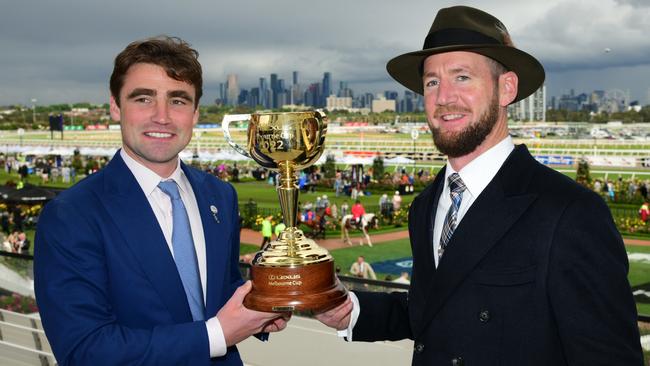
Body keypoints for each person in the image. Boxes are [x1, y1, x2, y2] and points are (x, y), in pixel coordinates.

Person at [315, 6, 642, 365]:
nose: (443, 98)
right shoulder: (427, 205)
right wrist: (352, 310)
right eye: (432, 82)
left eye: (462, 77)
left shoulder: (569, 213)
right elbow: (440, 307)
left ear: (506, 88)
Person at [34, 36, 288, 366]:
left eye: (178, 101)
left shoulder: (220, 196)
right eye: (143, 99)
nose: (162, 116)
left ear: (195, 112)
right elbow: (85, 349)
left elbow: (219, 292)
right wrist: (217, 334)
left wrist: (261, 303)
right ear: (115, 106)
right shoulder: (71, 215)